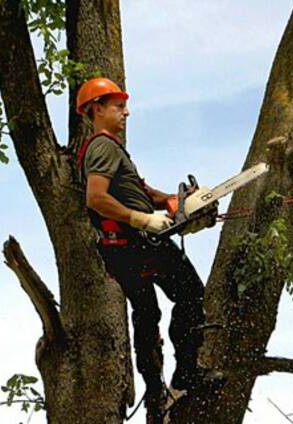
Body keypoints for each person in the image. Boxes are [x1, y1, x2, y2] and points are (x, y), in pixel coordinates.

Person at [75, 77, 211, 421]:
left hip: (125, 249)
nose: (126, 112)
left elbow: (141, 190)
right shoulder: (102, 146)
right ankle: (185, 375)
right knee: (191, 294)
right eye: (118, 106)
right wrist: (140, 220)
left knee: (147, 315)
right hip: (135, 243)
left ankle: (156, 394)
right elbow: (96, 198)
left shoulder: (113, 151)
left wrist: (172, 203)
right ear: (97, 109)